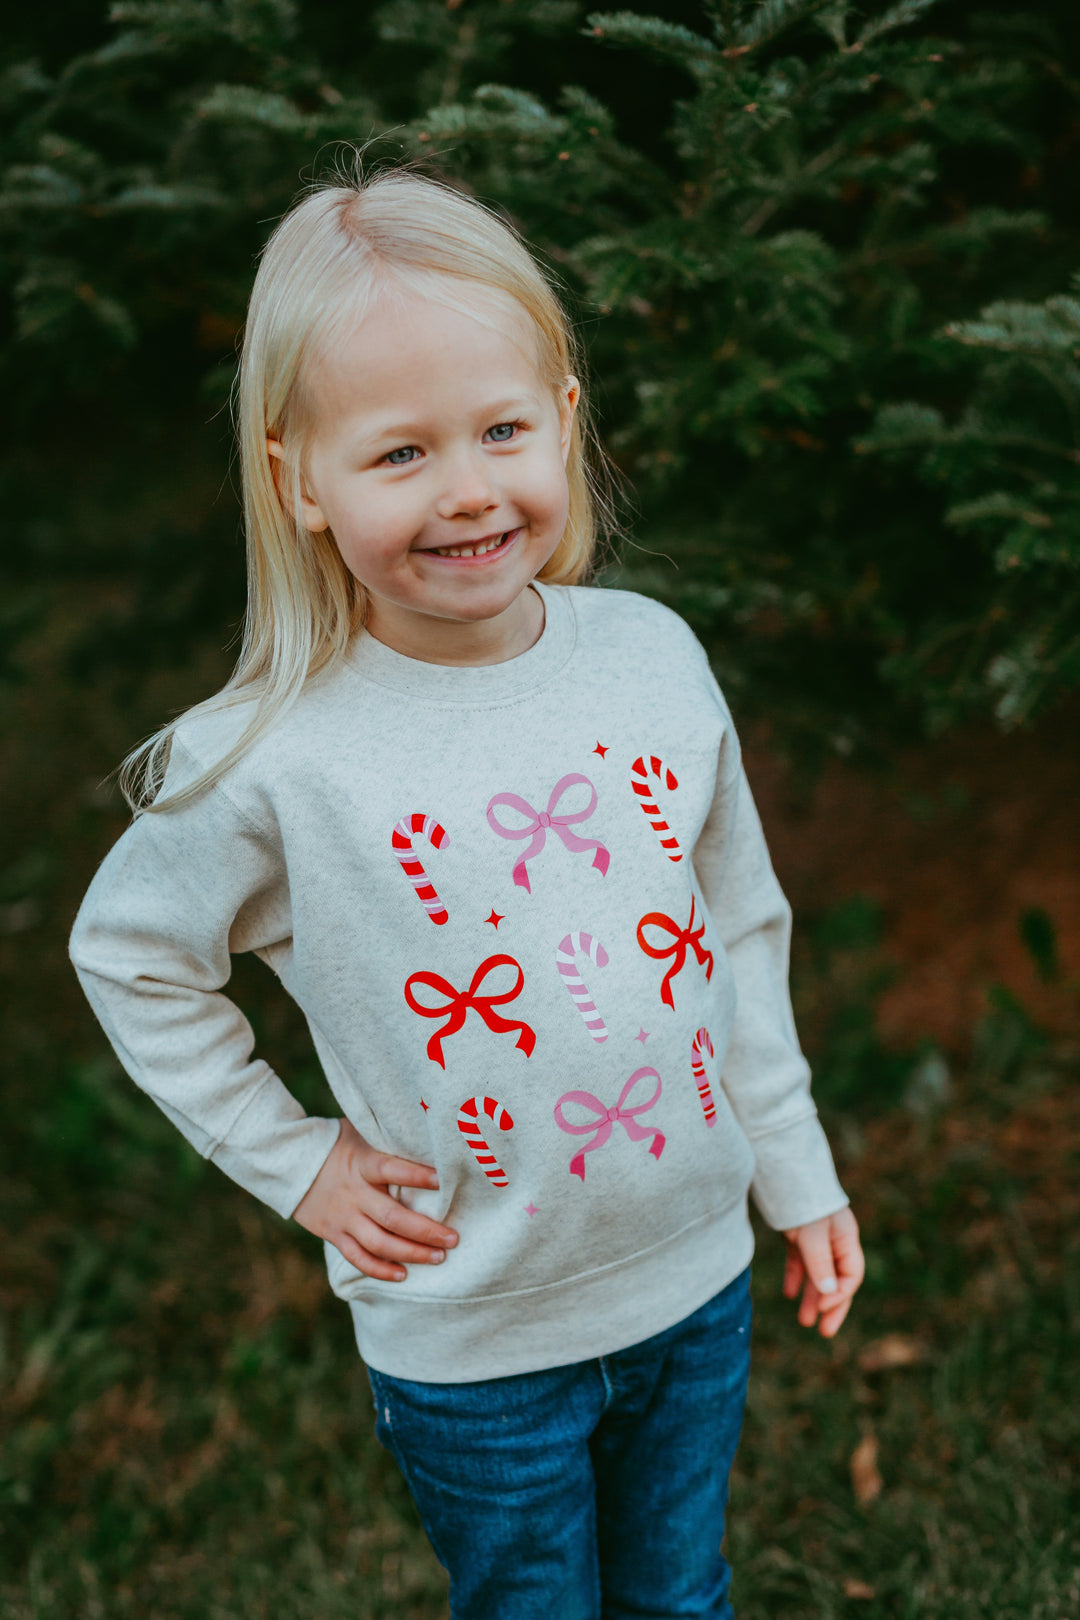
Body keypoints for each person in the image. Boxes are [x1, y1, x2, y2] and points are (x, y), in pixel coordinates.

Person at [70, 165, 864, 1620]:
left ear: (565, 417)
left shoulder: (649, 659)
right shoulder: (272, 757)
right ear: (296, 480)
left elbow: (737, 927)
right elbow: (130, 955)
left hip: (695, 1282)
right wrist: (297, 1162)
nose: (467, 491)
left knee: (683, 1597)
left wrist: (792, 1166)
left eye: (502, 429)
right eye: (399, 454)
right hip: (474, 1336)